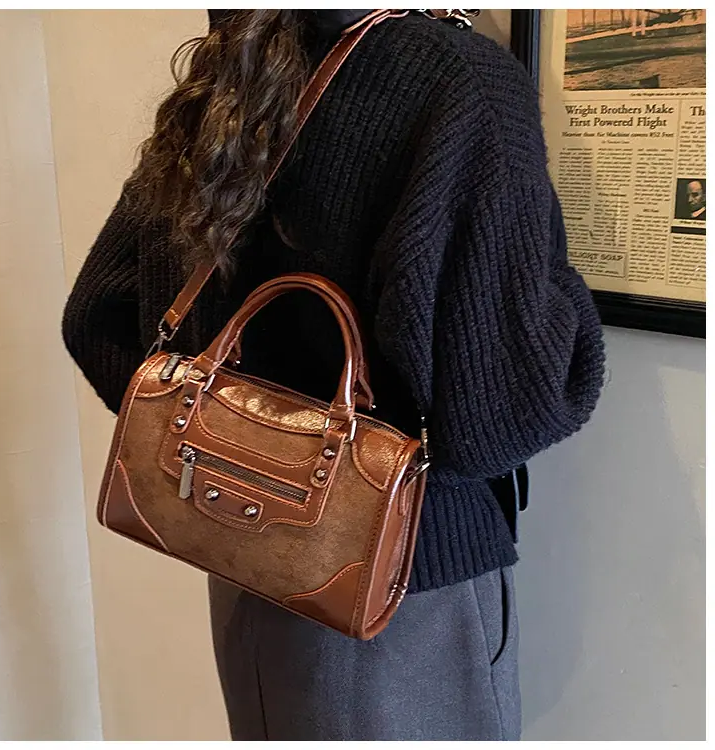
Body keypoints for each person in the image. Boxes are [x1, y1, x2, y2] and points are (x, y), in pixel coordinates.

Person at [63, 10, 606, 741]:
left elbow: (97, 314)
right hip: (398, 589)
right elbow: (500, 414)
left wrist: (242, 445)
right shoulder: (462, 81)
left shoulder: (232, 63)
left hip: (246, 561)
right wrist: (562, 292)